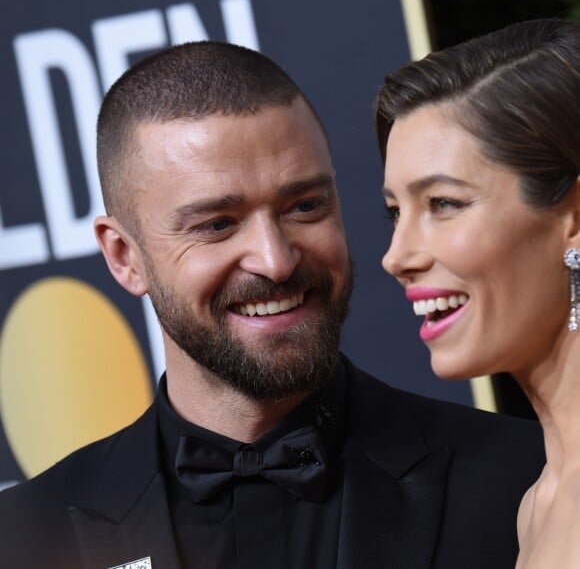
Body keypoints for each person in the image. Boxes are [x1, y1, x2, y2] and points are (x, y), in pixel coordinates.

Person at [0, 41, 543, 569]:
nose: (276, 261)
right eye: (217, 224)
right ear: (125, 257)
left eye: (305, 206)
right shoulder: (22, 539)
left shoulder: (523, 479)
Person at [376, 18, 580, 569]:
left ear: (574, 216)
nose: (396, 257)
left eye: (442, 203)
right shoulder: (536, 505)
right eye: (395, 213)